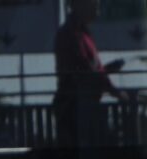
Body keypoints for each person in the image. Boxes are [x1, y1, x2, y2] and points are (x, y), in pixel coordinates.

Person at [53, 0, 128, 147]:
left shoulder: (81, 33)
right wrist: (116, 92)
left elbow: (90, 70)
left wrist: (107, 70)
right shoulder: (71, 34)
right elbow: (85, 70)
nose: (97, 9)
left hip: (83, 104)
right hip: (75, 107)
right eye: (94, 5)